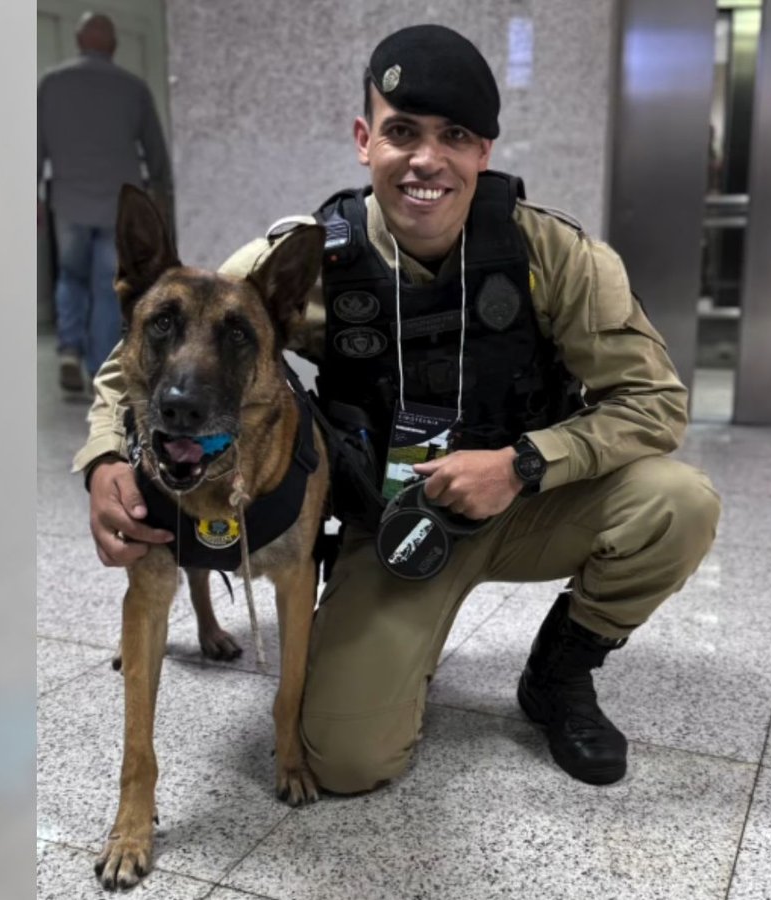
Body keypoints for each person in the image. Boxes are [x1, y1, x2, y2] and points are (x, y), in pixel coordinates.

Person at [72, 24, 721, 789]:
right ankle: (403, 647)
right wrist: (104, 459)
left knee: (678, 503)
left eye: (455, 136)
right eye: (402, 132)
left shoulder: (554, 257)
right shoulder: (309, 257)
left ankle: (560, 672)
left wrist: (522, 464)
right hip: (393, 525)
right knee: (344, 760)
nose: (426, 159)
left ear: (484, 151)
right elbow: (146, 349)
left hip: (531, 505)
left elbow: (654, 403)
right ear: (364, 140)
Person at [37, 12, 174, 395]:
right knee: (107, 285)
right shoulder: (132, 88)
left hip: (69, 200)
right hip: (118, 206)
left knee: (70, 277)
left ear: (79, 41)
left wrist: (31, 192)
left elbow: (34, 142)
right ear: (113, 45)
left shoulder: (51, 83)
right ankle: (99, 367)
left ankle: (69, 350)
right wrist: (160, 191)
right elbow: (155, 147)